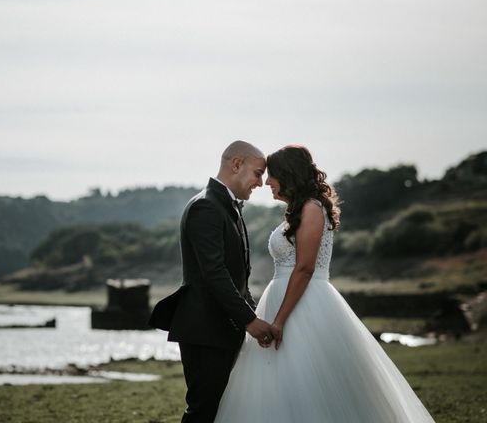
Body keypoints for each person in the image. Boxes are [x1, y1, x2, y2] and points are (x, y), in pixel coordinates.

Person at [214, 144, 435, 422]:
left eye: (272, 175)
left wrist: (280, 320)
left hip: (305, 303)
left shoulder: (312, 208)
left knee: (313, 379)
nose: (267, 181)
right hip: (283, 298)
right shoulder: (297, 210)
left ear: (289, 174)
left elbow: (305, 268)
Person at [149, 140, 275, 422]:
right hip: (204, 329)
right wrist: (249, 321)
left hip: (221, 327)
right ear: (236, 164)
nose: (261, 182)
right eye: (257, 173)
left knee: (220, 409)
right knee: (203, 410)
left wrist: (251, 314)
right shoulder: (206, 206)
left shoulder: (228, 206)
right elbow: (214, 273)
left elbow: (238, 276)